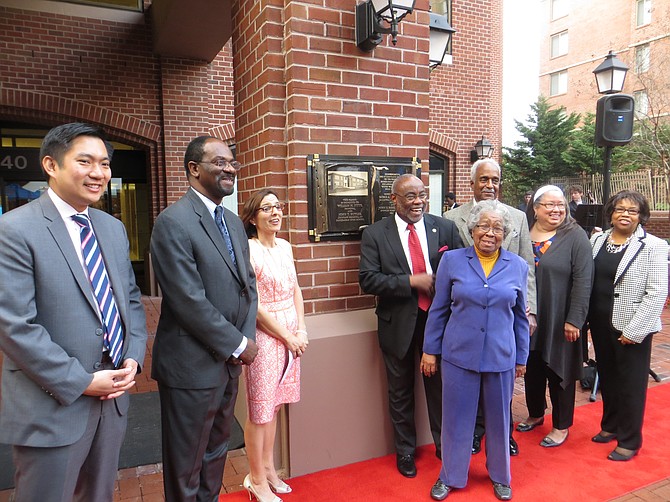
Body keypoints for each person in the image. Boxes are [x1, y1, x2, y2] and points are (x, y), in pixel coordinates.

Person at [0, 122, 148, 501]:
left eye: (104, 163)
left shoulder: (113, 228)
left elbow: (129, 299)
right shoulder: (15, 230)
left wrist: (132, 357)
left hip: (113, 398)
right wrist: (80, 381)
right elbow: (16, 326)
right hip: (53, 402)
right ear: (51, 164)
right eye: (85, 161)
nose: (98, 173)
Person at [150, 136, 259, 502]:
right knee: (186, 466)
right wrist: (239, 344)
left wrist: (242, 342)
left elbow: (249, 285)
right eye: (219, 162)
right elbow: (187, 301)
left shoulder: (231, 219)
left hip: (228, 365)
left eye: (232, 162)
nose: (229, 168)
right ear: (194, 169)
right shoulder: (173, 222)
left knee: (216, 454)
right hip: (191, 368)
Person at [422, 200, 529, 501]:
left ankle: (500, 476)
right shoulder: (453, 261)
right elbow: (439, 309)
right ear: (472, 229)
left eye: (497, 227)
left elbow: (520, 317)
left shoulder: (517, 266)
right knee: (456, 418)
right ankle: (451, 475)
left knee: (498, 419)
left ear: (506, 233)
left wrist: (522, 357)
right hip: (458, 355)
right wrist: (430, 350)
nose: (490, 233)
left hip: (500, 356)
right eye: (484, 225)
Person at [359, 174, 463, 478]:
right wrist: (410, 281)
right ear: (394, 200)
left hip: (439, 322)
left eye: (422, 195)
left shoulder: (444, 227)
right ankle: (405, 451)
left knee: (441, 389)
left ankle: (446, 447)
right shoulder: (376, 234)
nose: (418, 202)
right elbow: (368, 279)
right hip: (398, 325)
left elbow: (460, 269)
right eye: (410, 196)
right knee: (400, 392)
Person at [445, 158, 536, 457]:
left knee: (500, 381)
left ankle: (503, 434)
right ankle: (473, 433)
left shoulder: (517, 218)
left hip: (504, 312)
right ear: (471, 183)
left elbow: (528, 270)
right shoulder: (451, 217)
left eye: (495, 179)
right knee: (469, 381)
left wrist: (529, 309)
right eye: (483, 179)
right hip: (467, 314)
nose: (490, 185)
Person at [239, 189, 308, 502]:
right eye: (266, 208)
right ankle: (255, 478)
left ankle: (268, 468)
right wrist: (287, 335)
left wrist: (302, 329)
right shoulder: (248, 250)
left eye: (278, 206)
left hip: (292, 335)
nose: (275, 213)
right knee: (261, 411)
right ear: (253, 218)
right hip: (266, 336)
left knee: (277, 404)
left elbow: (296, 290)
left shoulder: (285, 246)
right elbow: (255, 306)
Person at [588, 190, 668, 461]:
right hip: (600, 323)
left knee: (631, 384)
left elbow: (657, 293)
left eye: (632, 211)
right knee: (608, 378)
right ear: (611, 212)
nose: (625, 214)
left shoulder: (654, 246)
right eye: (620, 209)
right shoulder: (597, 240)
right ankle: (610, 426)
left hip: (632, 327)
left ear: (641, 216)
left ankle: (629, 439)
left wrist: (635, 331)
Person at [516, 185, 593, 447]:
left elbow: (584, 280)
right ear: (535, 208)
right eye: (549, 205)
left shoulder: (575, 236)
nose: (556, 209)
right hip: (528, 316)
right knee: (532, 368)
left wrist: (575, 319)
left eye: (560, 204)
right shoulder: (523, 233)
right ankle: (536, 413)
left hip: (561, 317)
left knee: (560, 371)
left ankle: (561, 425)